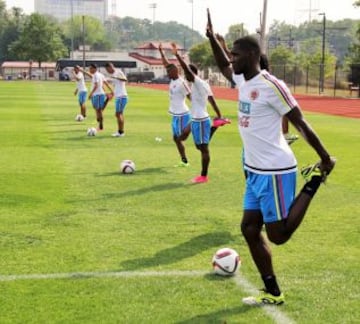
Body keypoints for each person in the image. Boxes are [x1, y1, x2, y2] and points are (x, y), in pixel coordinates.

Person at [207, 12, 336, 306]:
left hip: (275, 170)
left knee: (277, 236)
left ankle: (315, 180)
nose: (232, 59)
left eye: (236, 54)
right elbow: (223, 65)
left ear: (252, 54)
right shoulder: (242, 79)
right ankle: (273, 292)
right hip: (254, 170)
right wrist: (211, 38)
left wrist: (324, 157)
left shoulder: (272, 85)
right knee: (249, 229)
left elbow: (301, 122)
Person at [170, 43, 230, 183]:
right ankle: (216, 124)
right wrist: (219, 114)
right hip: (197, 118)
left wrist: (177, 55)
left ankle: (203, 176)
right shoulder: (204, 83)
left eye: (187, 75)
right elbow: (212, 100)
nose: (185, 77)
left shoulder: (197, 82)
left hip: (201, 119)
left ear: (192, 74)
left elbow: (187, 69)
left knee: (203, 148)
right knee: (191, 141)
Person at [158, 43, 191, 167]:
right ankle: (184, 160)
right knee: (176, 138)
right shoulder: (172, 79)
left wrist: (198, 109)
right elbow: (166, 64)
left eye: (169, 72)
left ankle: (193, 125)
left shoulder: (182, 83)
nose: (167, 73)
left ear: (175, 71)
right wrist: (161, 52)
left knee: (180, 138)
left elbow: (190, 96)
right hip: (175, 114)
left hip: (182, 114)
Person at [80, 64, 114, 131]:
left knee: (99, 110)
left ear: (94, 69)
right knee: (97, 109)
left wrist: (91, 94)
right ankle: (106, 100)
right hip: (98, 94)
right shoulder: (99, 75)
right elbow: (105, 83)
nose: (89, 70)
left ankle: (101, 126)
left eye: (90, 69)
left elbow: (97, 85)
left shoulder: (96, 75)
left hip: (98, 94)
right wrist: (111, 91)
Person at [105, 62, 128, 137]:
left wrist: (116, 78)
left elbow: (125, 79)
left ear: (110, 67)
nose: (107, 71)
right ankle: (120, 131)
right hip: (118, 97)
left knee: (118, 114)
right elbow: (115, 85)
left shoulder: (118, 72)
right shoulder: (112, 75)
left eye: (107, 69)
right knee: (119, 114)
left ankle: (121, 132)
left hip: (122, 96)